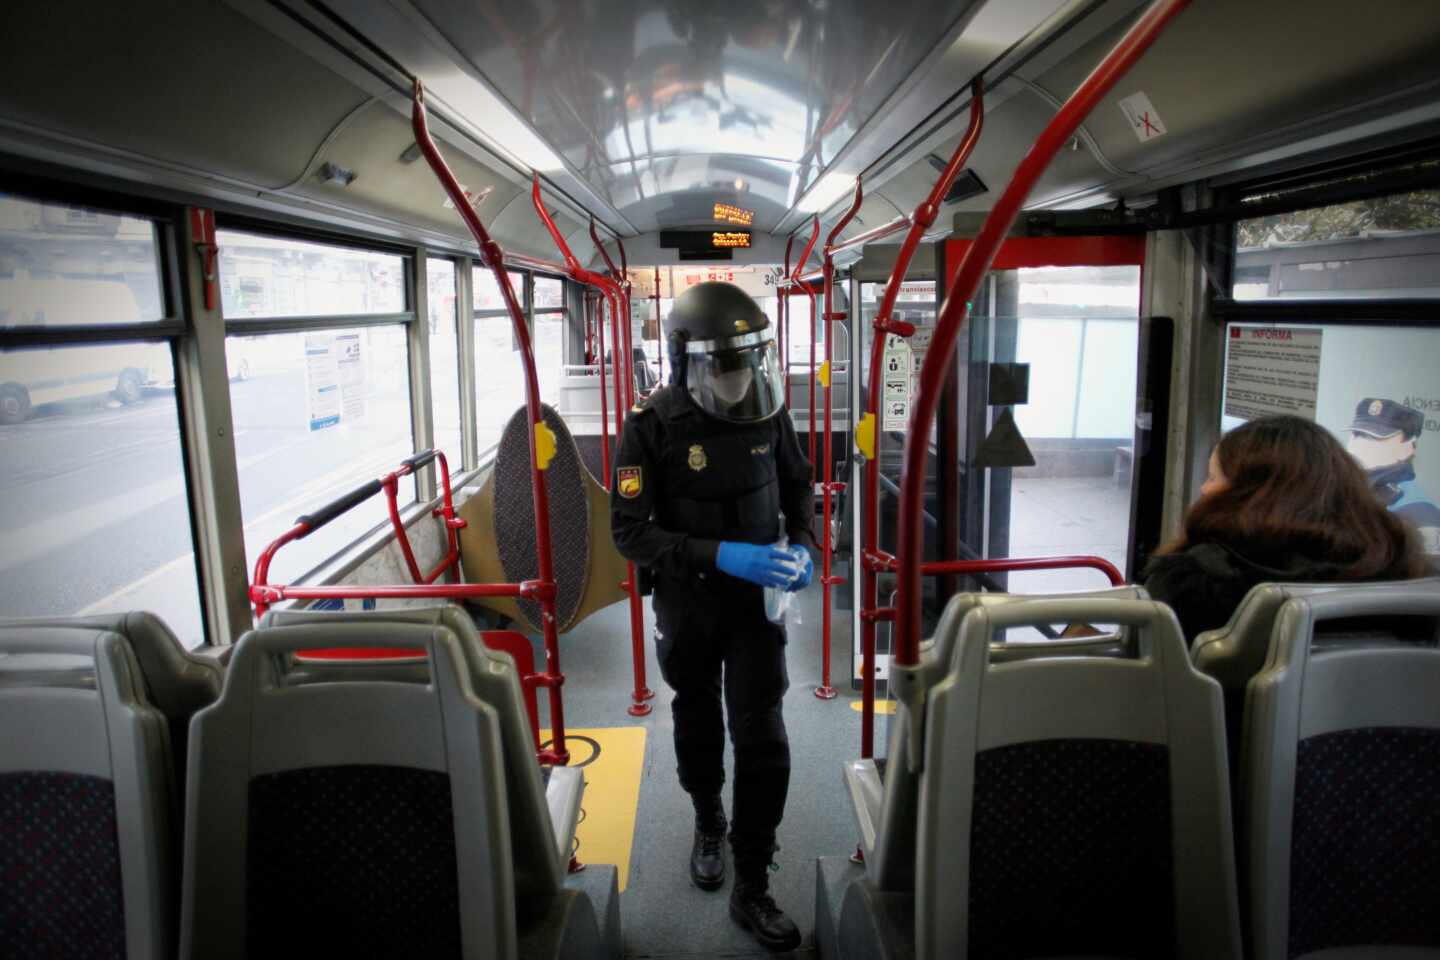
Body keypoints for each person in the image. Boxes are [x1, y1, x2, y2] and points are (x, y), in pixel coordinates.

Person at [610, 281, 815, 951]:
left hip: (759, 608)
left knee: (764, 735)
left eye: (745, 364)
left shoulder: (769, 411)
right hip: (689, 603)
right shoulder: (649, 428)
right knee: (698, 720)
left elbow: (797, 487)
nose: (735, 380)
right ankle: (708, 819)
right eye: (721, 367)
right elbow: (629, 533)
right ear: (685, 363)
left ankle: (752, 882)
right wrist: (720, 553)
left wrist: (806, 549)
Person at [1144, 415, 1429, 641]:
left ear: (1251, 494)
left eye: (1212, 477)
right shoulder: (1406, 572)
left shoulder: (1194, 580)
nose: (1204, 490)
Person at [1345, 397, 1440, 556]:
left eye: (1375, 438)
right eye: (1357, 434)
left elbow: (1426, 578)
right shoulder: (1347, 491)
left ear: (1408, 448)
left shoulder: (1419, 512)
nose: (1358, 444)